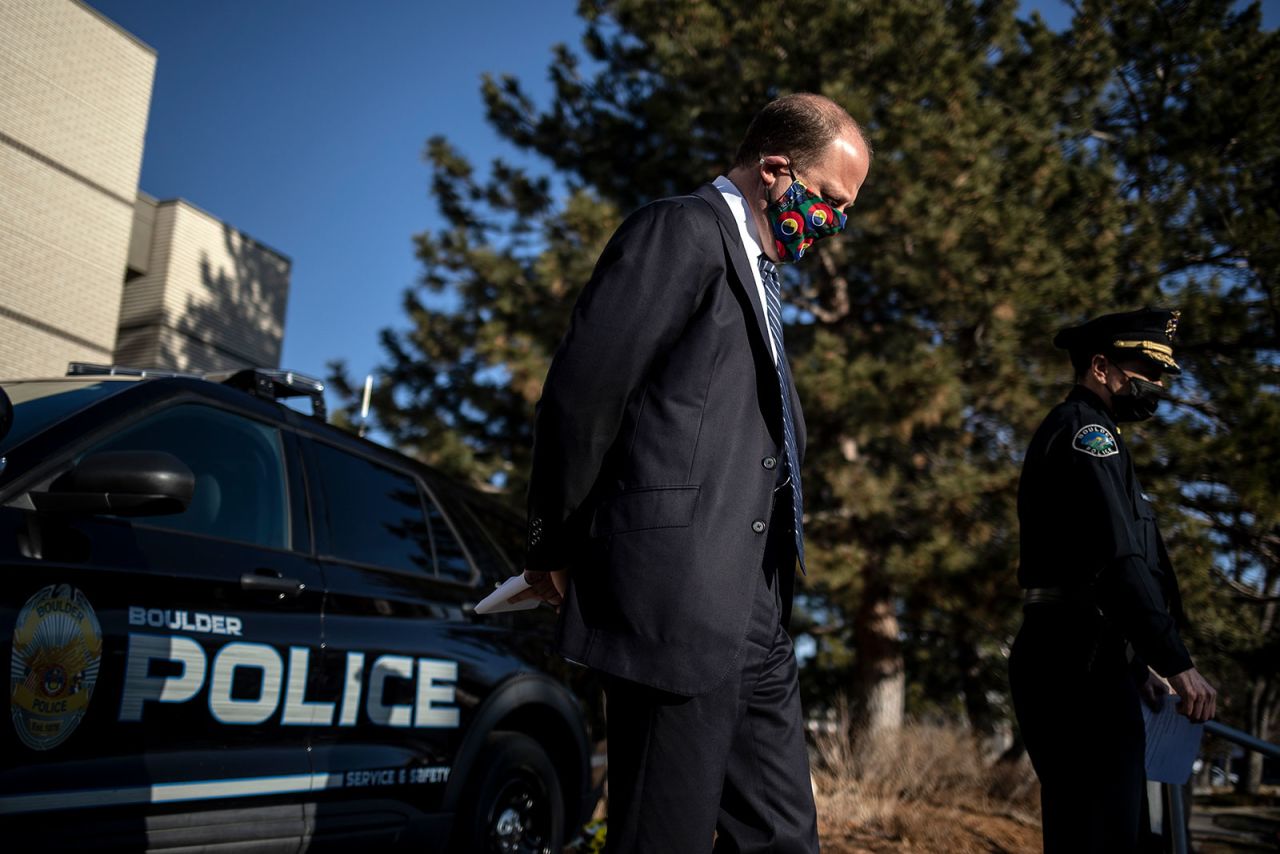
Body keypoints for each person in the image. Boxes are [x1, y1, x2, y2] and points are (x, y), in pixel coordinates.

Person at [510, 93, 871, 852]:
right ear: (776, 170)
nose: (838, 221)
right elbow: (583, 392)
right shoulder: (681, 229)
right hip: (673, 596)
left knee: (780, 836)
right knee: (662, 835)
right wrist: (552, 545)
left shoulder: (764, 284)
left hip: (757, 608)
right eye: (833, 201)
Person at [1009, 308, 1217, 853]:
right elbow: (1116, 558)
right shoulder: (1087, 435)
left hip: (1094, 656)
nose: (1158, 385)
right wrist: (1175, 663)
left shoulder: (1101, 437)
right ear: (1101, 366)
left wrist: (1136, 663)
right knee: (1097, 834)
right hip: (1073, 662)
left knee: (1109, 832)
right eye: (1146, 371)